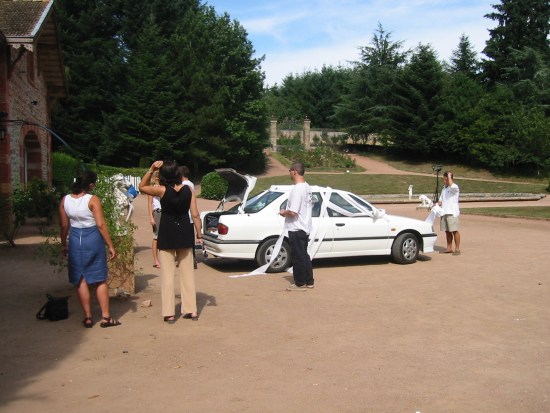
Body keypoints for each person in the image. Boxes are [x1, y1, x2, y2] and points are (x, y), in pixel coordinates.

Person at [139, 160, 203, 323]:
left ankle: (169, 312)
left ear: (163, 175)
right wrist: (199, 234)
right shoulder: (189, 190)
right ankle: (191, 310)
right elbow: (195, 214)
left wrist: (151, 169)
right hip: (184, 232)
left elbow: (141, 187)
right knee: (187, 273)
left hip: (167, 232)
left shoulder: (161, 190)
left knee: (167, 275)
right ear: (178, 174)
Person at [59, 170, 121, 328]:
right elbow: (100, 224)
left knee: (80, 278)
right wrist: (111, 245)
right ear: (91, 185)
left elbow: (64, 225)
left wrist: (63, 244)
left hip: (75, 239)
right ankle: (106, 317)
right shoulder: (93, 200)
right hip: (92, 238)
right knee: (100, 278)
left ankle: (87, 317)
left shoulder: (65, 200)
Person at [279, 161, 314, 291]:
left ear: (294, 171)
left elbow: (293, 212)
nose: (289, 173)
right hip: (305, 226)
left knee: (298, 256)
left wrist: (283, 212)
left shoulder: (297, 189)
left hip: (297, 227)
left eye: (290, 170)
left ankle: (300, 283)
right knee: (304, 255)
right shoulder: (307, 186)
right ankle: (309, 280)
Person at [437, 171, 461, 255]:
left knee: (454, 231)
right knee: (447, 231)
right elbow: (440, 201)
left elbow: (452, 185)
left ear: (450, 179)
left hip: (452, 213)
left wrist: (449, 176)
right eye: (444, 179)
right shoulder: (444, 189)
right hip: (444, 212)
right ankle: (449, 248)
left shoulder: (454, 187)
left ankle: (457, 249)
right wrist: (435, 205)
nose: (444, 181)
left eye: (446, 179)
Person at [147, 171, 161, 268]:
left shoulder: (164, 186)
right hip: (157, 212)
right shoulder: (152, 188)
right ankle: (156, 260)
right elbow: (149, 203)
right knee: (156, 236)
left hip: (165, 212)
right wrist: (151, 217)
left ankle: (163, 258)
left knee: (164, 236)